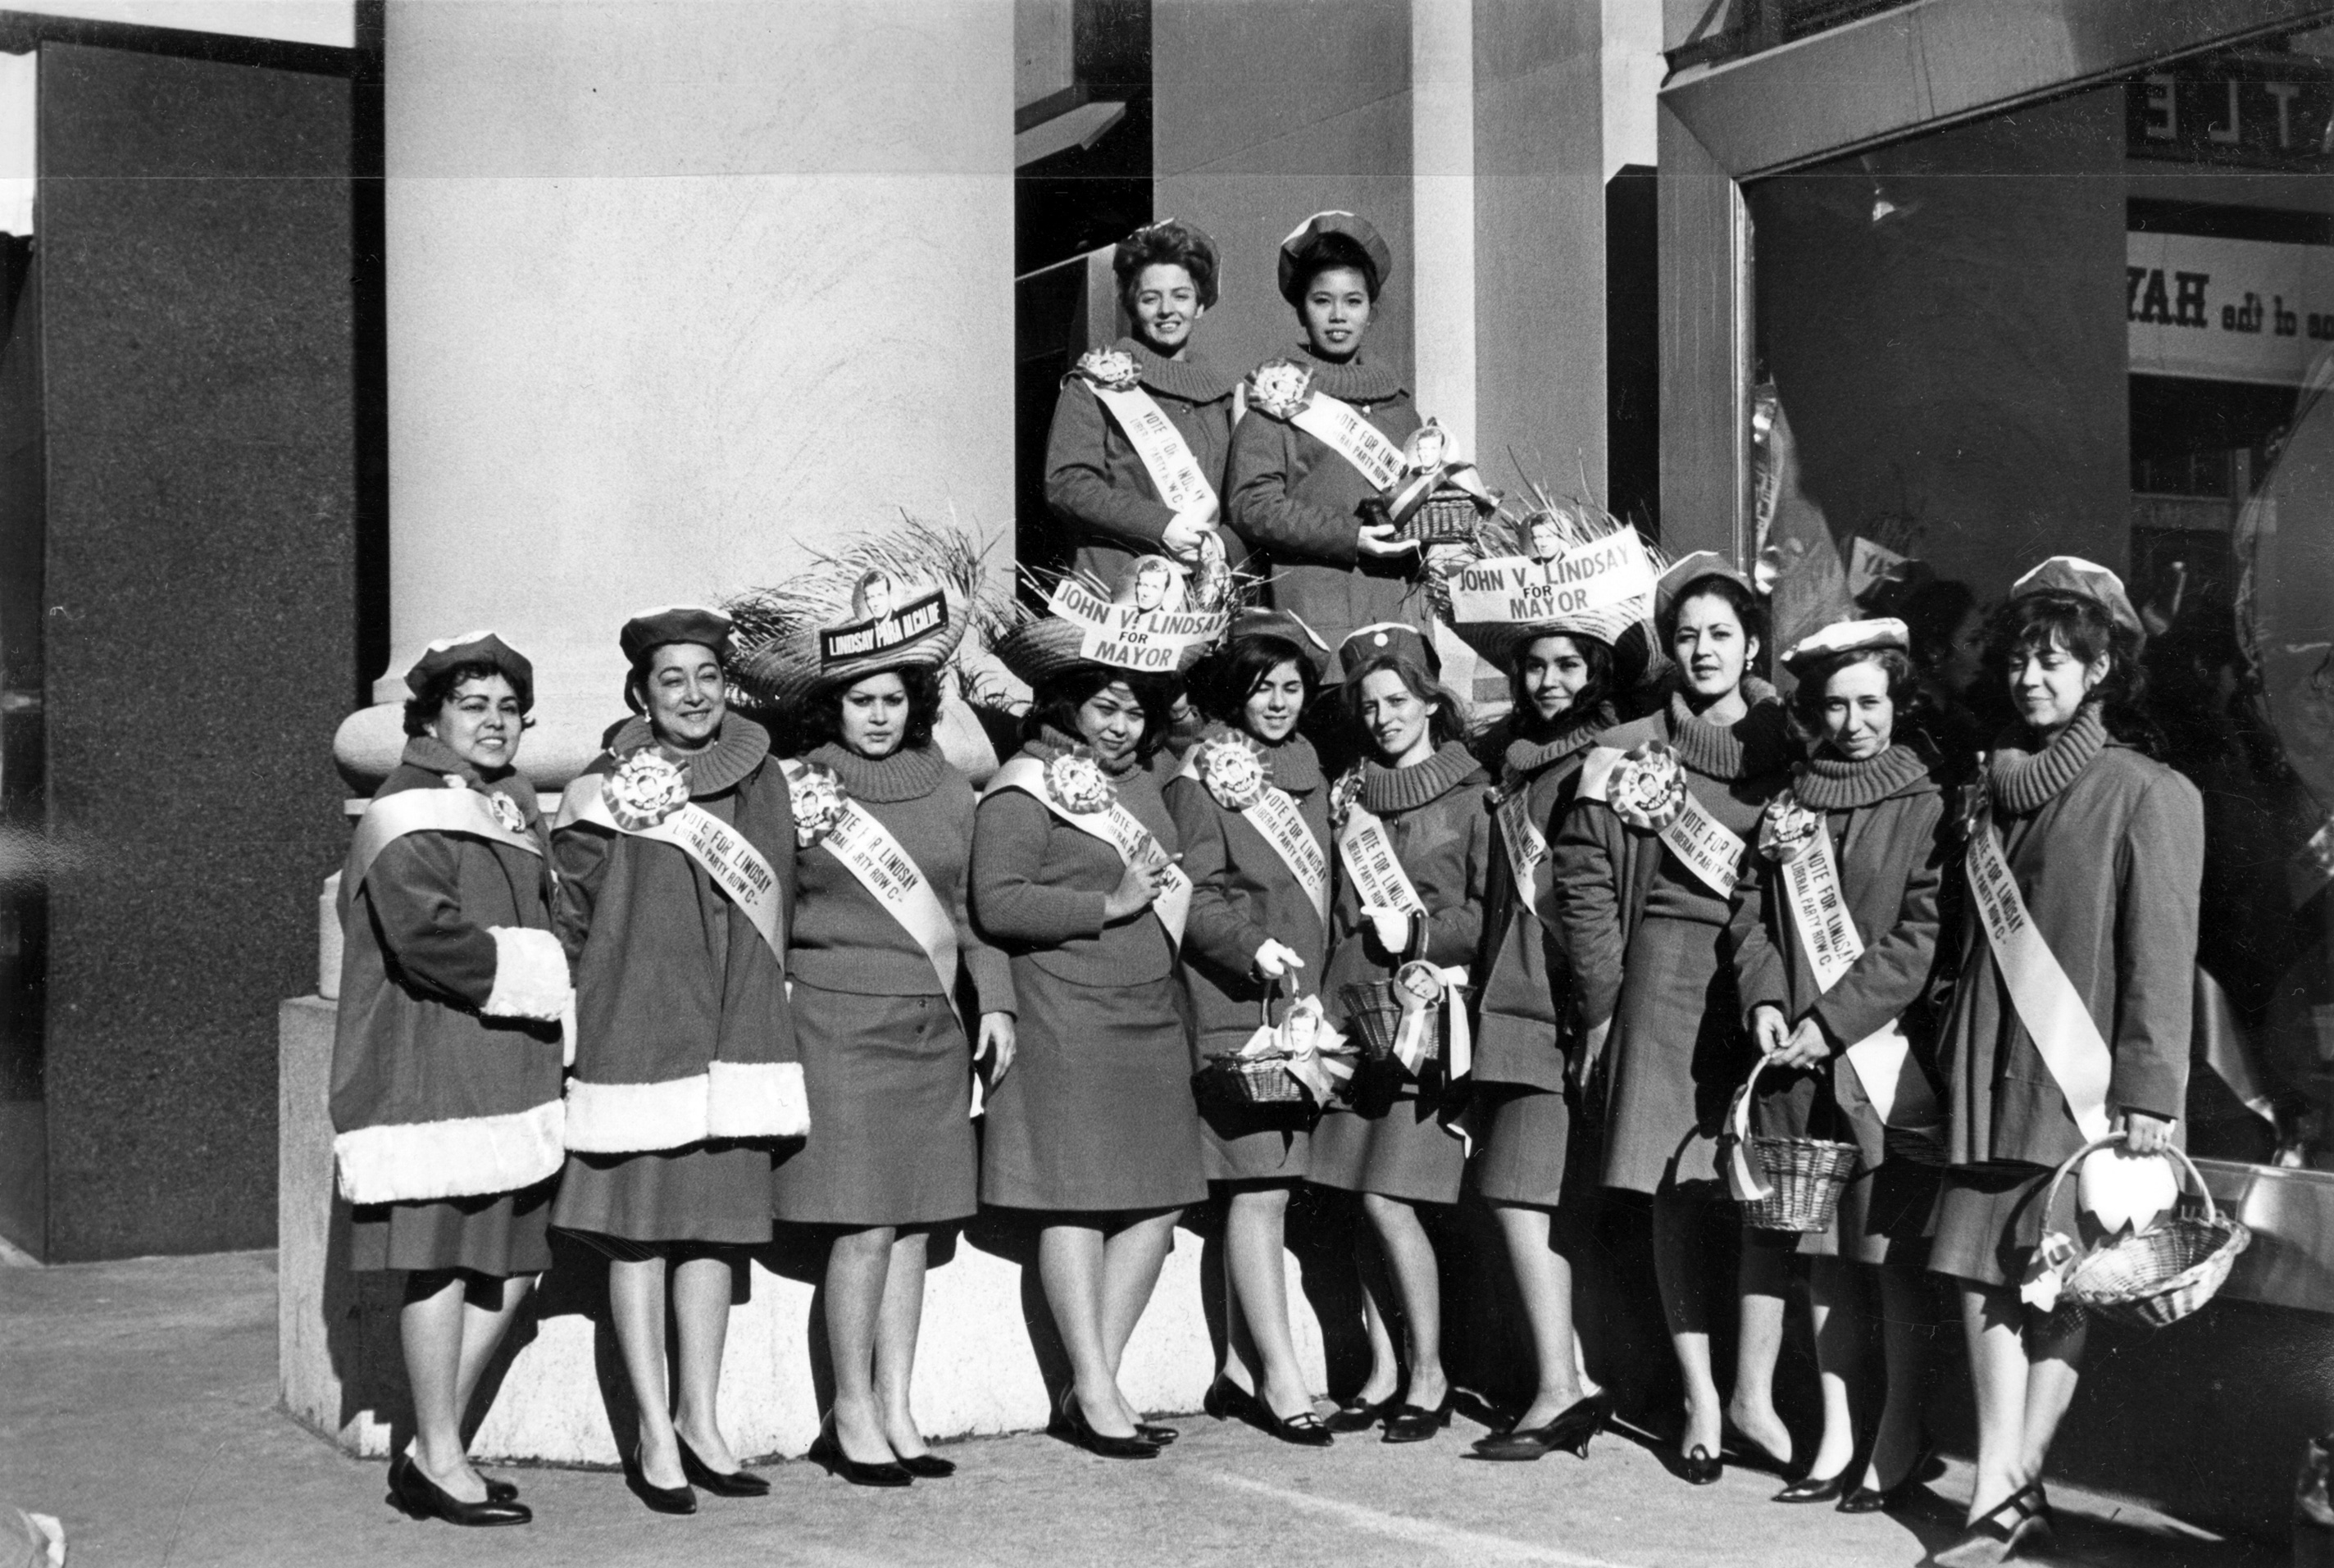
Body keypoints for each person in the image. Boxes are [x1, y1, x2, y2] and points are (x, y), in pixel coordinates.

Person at [1927, 559, 2201, 1566]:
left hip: (2077, 1078)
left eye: (2055, 661)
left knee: (2062, 1281)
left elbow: (2160, 952)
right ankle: (2005, 1482)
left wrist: (2147, 1092)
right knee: (1976, 1269)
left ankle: (2008, 1487)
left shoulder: (2146, 792)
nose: (2031, 679)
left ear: (2101, 669)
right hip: (1987, 1062)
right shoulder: (1995, 786)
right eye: (2020, 661)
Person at [738, 557, 1016, 1487]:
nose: (880, 714)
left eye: (894, 697)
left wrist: (1000, 1002)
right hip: (837, 1027)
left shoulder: (948, 787)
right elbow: (764, 907)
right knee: (860, 1226)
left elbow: (973, 912)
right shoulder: (798, 786)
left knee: (913, 1227)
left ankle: (897, 1405)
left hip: (931, 1029)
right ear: (833, 705)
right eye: (861, 699)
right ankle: (847, 1412)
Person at [549, 607, 808, 1516]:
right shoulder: (601, 784)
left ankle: (703, 1418)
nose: (693, 695)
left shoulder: (762, 775)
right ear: (641, 694)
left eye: (706, 675)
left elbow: (786, 890)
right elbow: (570, 911)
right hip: (640, 1028)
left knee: (714, 1229)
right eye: (673, 679)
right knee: (642, 1230)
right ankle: (653, 1430)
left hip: (735, 1030)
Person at [1553, 553, 1795, 1485]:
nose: (1702, 650)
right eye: (1685, 634)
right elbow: (1581, 881)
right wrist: (1605, 1005)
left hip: (1763, 978)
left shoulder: (1789, 740)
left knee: (1763, 1186)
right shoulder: (1624, 745)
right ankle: (1699, 1393)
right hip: (1658, 976)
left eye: (1720, 634)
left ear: (1752, 645)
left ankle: (1754, 1392)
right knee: (1674, 1186)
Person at [973, 562, 1210, 1459]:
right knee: (1073, 1198)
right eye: (1105, 707)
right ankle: (1101, 1389)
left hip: (1147, 1010)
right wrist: (1100, 907)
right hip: (1066, 1008)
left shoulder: (1149, 782)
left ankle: (1092, 1379)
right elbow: (996, 900)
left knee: (1158, 1198)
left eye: (1135, 710)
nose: (1121, 724)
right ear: (1069, 703)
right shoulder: (1023, 783)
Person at [331, 633, 568, 1527]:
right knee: (439, 1260)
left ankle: (433, 1447)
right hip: (430, 1062)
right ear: (430, 717)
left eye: (508, 707)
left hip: (512, 1061)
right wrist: (546, 971)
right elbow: (425, 937)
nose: (496, 721)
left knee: (511, 1261)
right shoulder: (406, 806)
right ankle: (439, 1448)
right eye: (474, 705)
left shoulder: (508, 799)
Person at [1728, 618, 1949, 1511]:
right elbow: (1750, 913)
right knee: (1820, 1254)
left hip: (1880, 1059)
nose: (1855, 720)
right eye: (1836, 704)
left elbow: (1919, 937)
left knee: (1885, 1254)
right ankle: (1838, 1432)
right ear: (1813, 710)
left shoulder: (1924, 801)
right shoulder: (1791, 803)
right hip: (1800, 1064)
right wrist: (1769, 998)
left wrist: (1833, 1019)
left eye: (1871, 701)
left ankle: (1898, 1434)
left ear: (1895, 701)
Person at [1456, 611, 1633, 1461]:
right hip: (1513, 990)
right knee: (1534, 1195)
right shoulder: (1518, 758)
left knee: (1519, 1193)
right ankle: (1572, 1376)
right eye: (1533, 665)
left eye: (1568, 664)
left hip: (1556, 999)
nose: (1548, 680)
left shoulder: (1606, 758)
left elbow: (1594, 896)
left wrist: (1595, 1008)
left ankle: (1563, 1386)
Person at [1308, 625, 1490, 1445]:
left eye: (1398, 700)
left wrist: (1422, 943)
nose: (1384, 717)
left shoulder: (1471, 791)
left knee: (1392, 1197)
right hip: (1359, 1011)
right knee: (1355, 1193)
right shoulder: (1350, 792)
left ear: (1430, 699)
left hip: (1427, 1011)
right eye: (1370, 704)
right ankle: (1384, 1368)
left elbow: (1486, 914)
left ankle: (1431, 1372)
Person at [1165, 607, 1338, 1447]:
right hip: (1241, 1001)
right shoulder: (1203, 773)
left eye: (1292, 685)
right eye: (1262, 686)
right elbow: (1192, 889)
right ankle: (1283, 1377)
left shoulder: (1309, 764)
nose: (1278, 701)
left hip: (1302, 1006)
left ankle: (1239, 1368)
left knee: (1260, 1187)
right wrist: (1246, 946)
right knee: (1259, 1188)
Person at [1227, 211, 1427, 659]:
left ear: (1371, 312)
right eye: (1322, 301)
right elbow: (1251, 504)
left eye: (1353, 302)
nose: (1339, 316)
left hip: (1397, 615)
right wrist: (1349, 535)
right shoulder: (1278, 392)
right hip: (1313, 618)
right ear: (1301, 309)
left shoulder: (1401, 406)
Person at [1044, 219, 1244, 584]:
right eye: (1151, 298)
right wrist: (1160, 525)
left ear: (1200, 305)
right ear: (1133, 307)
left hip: (1205, 590)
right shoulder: (1096, 384)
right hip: (1117, 588)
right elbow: (1067, 484)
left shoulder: (1228, 399)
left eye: (1181, 296)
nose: (1167, 310)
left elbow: (1246, 505)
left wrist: (1221, 548)